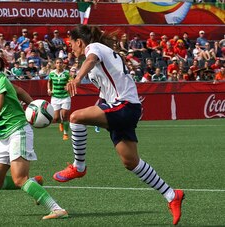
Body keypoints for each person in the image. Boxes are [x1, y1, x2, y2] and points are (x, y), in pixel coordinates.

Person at [52, 25, 184, 225]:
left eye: (71, 44)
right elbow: (106, 90)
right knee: (131, 162)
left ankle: (79, 167)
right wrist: (99, 113)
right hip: (123, 108)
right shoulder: (102, 59)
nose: (71, 48)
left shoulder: (93, 48)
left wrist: (77, 78)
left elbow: (90, 58)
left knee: (75, 117)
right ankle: (171, 195)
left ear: (79, 42)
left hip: (124, 106)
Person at [0, 49, 68, 220]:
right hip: (3, 136)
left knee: (20, 178)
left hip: (17, 131)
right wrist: (33, 106)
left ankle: (57, 209)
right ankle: (34, 183)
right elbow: (19, 91)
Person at [47, 58, 72, 140]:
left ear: (63, 64)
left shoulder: (67, 73)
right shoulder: (52, 73)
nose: (59, 64)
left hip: (65, 96)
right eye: (57, 63)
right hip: (55, 97)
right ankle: (60, 123)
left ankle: (65, 134)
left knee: (65, 115)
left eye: (60, 63)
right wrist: (49, 90)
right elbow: (49, 82)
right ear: (55, 64)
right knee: (55, 118)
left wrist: (68, 85)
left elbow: (72, 81)